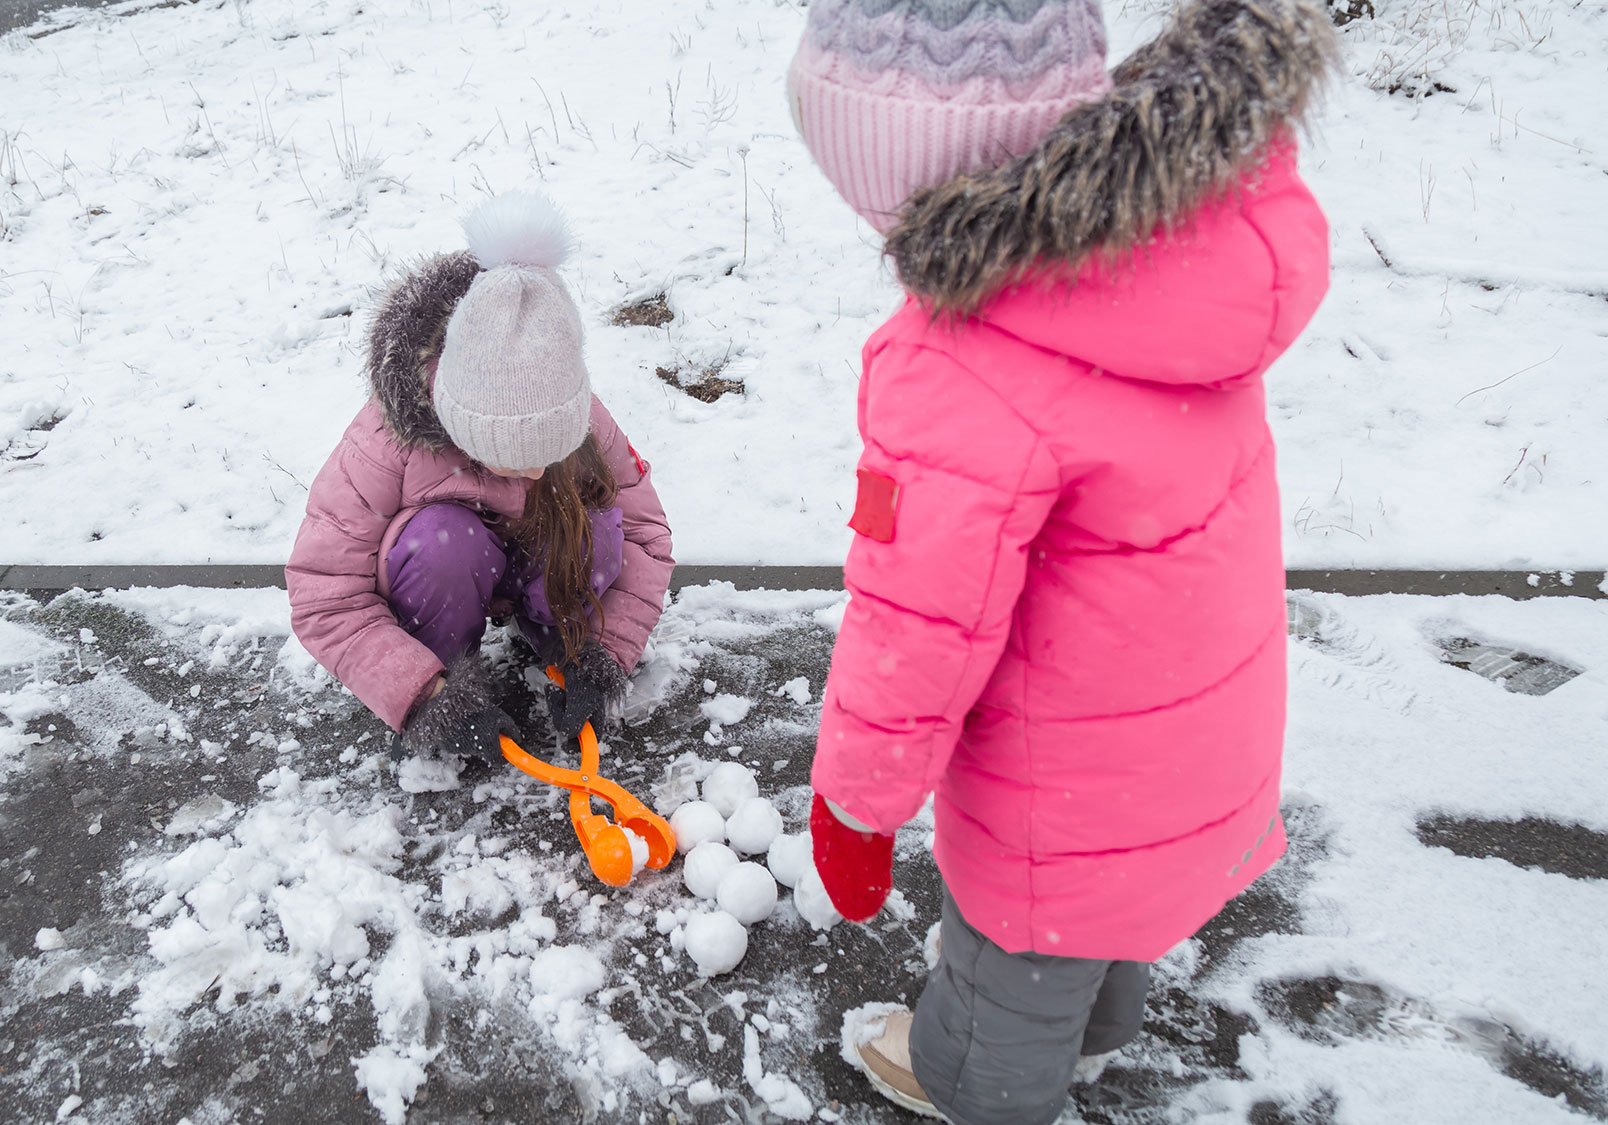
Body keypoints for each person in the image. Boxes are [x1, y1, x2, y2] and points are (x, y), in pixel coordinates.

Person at [787, 0, 1335, 1119]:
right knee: (1106, 908)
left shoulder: (964, 365)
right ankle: (1095, 1031)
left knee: (1007, 967)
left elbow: (916, 630)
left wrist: (856, 804)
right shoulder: (1166, 259)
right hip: (1184, 739)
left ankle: (972, 1082)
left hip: (1059, 773)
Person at [287, 193, 674, 760]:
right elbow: (324, 594)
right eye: (514, 454)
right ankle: (444, 666)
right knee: (442, 543)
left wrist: (606, 654)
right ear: (463, 425)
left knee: (595, 528)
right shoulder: (385, 439)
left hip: (542, 578)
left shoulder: (576, 408)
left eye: (552, 449)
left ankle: (555, 641)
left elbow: (646, 537)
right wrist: (423, 697)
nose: (537, 470)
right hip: (446, 583)